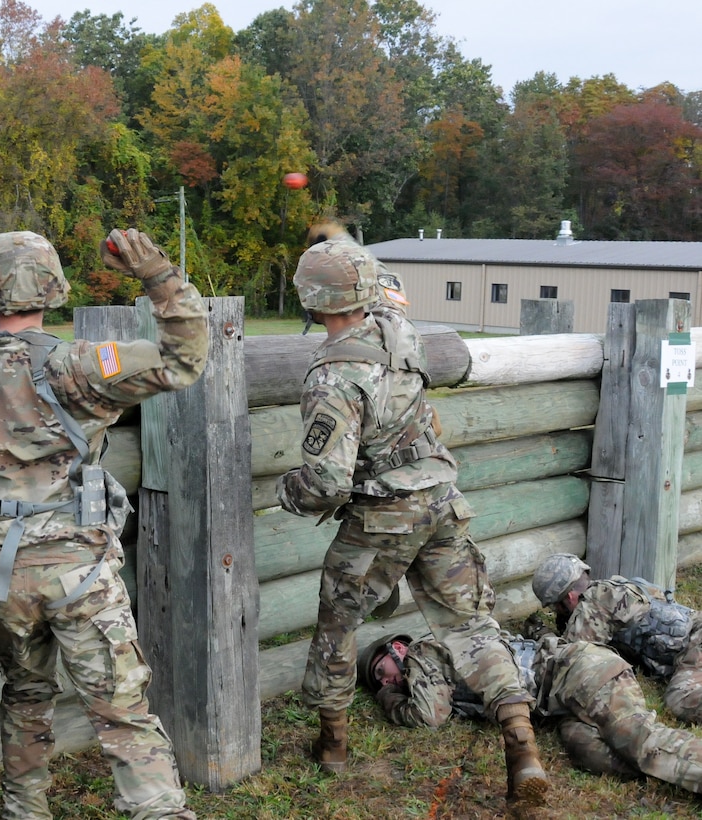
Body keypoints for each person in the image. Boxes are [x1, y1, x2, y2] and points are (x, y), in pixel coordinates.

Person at [0, 228, 208, 819]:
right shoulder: (78, 365)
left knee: (24, 696)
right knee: (121, 709)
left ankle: (25, 812)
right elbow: (184, 358)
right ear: (51, 287)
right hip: (77, 571)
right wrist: (156, 275)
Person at [276, 235, 548, 805]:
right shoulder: (402, 330)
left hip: (383, 517)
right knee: (471, 627)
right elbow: (388, 290)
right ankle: (522, 744)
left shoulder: (331, 377)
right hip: (442, 499)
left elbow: (326, 482)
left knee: (338, 624)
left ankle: (331, 745)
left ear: (310, 300)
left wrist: (289, 493)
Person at [364, 631, 702, 794]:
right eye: (382, 682)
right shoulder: (436, 666)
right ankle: (675, 768)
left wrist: (388, 696)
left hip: (577, 671)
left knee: (640, 742)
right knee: (590, 750)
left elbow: (428, 716)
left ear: (397, 649)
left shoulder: (421, 653)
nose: (389, 680)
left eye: (383, 673)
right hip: (560, 702)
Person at [530, 553, 702, 724]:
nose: (557, 612)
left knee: (680, 701)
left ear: (569, 597)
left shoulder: (593, 609)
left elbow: (570, 659)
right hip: (694, 636)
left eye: (555, 606)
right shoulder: (612, 588)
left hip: (695, 642)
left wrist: (542, 634)